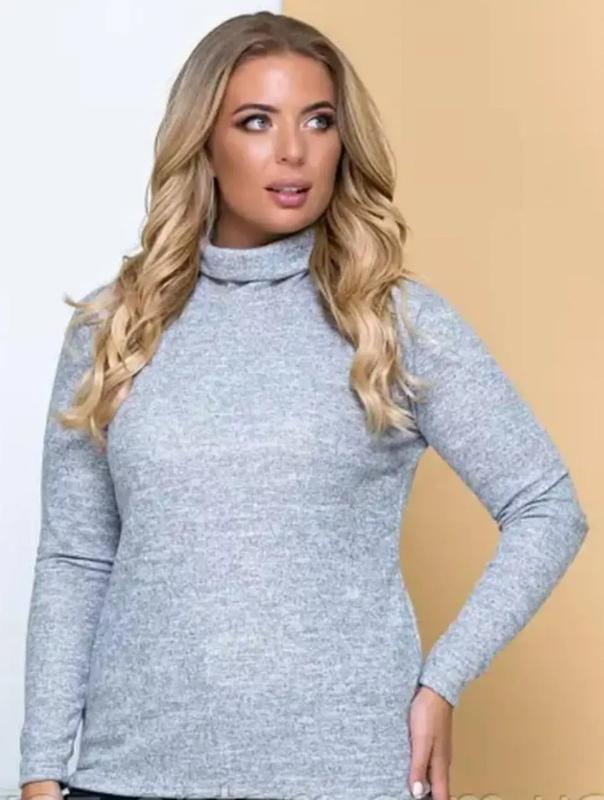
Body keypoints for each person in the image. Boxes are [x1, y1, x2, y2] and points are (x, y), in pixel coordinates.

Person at [18, 10, 588, 800]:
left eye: (319, 121)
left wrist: (443, 680)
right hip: (129, 777)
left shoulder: (392, 322)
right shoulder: (114, 327)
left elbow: (547, 507)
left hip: (344, 777)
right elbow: (77, 559)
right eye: (256, 121)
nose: (293, 151)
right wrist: (41, 770)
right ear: (203, 141)